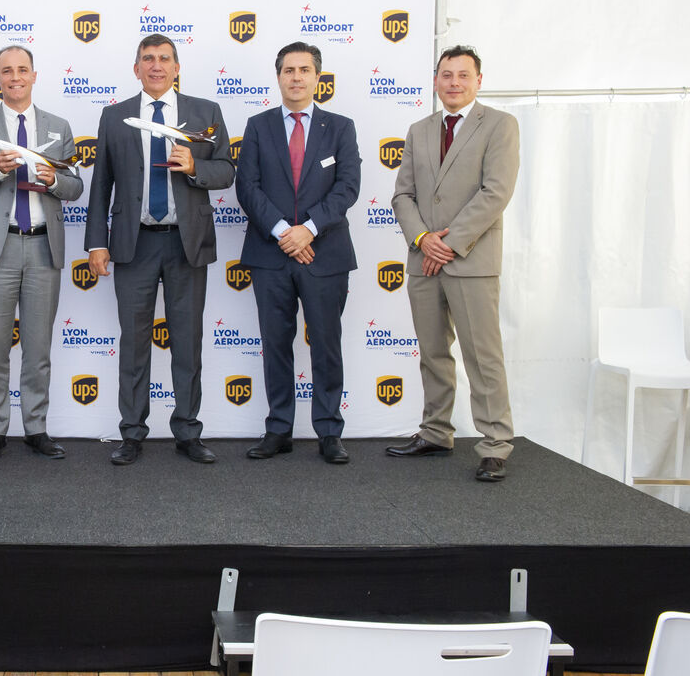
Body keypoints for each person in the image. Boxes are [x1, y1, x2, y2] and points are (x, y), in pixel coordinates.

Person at [85, 34, 234, 465]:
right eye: (148, 59)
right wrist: (96, 242)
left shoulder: (205, 112)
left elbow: (226, 171)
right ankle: (132, 433)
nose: (156, 65)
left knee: (187, 342)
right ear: (136, 69)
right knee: (134, 343)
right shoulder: (115, 116)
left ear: (176, 67)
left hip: (187, 243)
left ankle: (187, 431)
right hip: (134, 244)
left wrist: (196, 166)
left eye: (164, 58)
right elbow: (101, 184)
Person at [388, 45, 520, 482]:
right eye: (446, 74)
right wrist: (423, 240)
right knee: (432, 352)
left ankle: (495, 443)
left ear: (479, 81)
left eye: (463, 75)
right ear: (435, 80)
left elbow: (495, 192)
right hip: (424, 260)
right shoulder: (419, 130)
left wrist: (449, 243)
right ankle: (435, 432)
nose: (454, 82)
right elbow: (402, 195)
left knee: (482, 356)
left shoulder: (500, 125)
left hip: (471, 261)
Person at [0, 45, 83, 463]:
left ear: (34, 76)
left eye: (22, 70)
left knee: (38, 347)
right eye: (6, 71)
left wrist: (52, 180)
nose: (15, 77)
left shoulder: (58, 126)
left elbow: (75, 186)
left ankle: (36, 428)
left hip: (44, 245)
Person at [235, 42, 360, 464]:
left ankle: (329, 431)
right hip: (270, 255)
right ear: (278, 77)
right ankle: (279, 429)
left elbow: (347, 188)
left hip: (325, 254)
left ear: (317, 77)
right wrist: (283, 233)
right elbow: (247, 187)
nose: (296, 77)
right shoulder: (258, 126)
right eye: (288, 70)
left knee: (326, 344)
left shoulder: (340, 128)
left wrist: (307, 231)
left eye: (304, 70)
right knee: (275, 344)